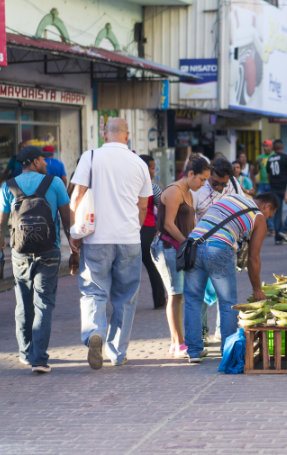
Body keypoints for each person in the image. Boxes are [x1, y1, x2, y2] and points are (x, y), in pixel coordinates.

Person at [70, 118, 152, 370]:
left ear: (104, 134)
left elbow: (77, 195)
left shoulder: (91, 157)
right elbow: (143, 206)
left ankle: (95, 333)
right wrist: (134, 229)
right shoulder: (139, 163)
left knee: (93, 290)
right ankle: (117, 352)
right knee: (125, 297)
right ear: (127, 136)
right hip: (129, 238)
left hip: (96, 238)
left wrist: (75, 232)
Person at [0, 146, 73, 373]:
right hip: (49, 251)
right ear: (35, 161)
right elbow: (68, 222)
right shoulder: (54, 183)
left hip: (20, 253)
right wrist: (75, 252)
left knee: (23, 304)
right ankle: (39, 359)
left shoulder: (8, 186)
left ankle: (26, 353)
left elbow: (0, 229)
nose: (47, 163)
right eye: (44, 159)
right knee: (43, 303)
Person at [183, 192, 278, 363]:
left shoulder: (230, 198)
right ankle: (228, 352)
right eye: (270, 215)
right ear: (267, 207)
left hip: (194, 245)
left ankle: (194, 352)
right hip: (219, 248)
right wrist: (257, 289)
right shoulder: (258, 217)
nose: (267, 218)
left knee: (193, 300)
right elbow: (253, 258)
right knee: (227, 303)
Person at [151, 156, 210, 359]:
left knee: (181, 295)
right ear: (191, 174)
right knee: (174, 295)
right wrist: (188, 243)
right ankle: (177, 343)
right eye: (201, 179)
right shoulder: (174, 191)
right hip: (167, 247)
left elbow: (191, 223)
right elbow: (168, 224)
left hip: (182, 248)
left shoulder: (190, 193)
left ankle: (180, 342)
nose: (203, 184)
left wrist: (196, 242)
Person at [193, 157, 244, 347]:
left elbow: (243, 206)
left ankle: (224, 336)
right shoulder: (198, 187)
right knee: (200, 295)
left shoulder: (233, 184)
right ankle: (202, 332)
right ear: (209, 175)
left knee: (225, 295)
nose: (220, 188)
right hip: (201, 246)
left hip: (227, 247)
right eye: (216, 183)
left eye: (224, 184)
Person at [137, 155, 166, 310]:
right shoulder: (151, 187)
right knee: (152, 266)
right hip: (148, 228)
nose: (154, 171)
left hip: (130, 229)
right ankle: (160, 300)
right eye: (153, 167)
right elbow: (163, 206)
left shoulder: (128, 184)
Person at [266, 139, 287, 244]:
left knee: (277, 213)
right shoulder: (285, 157)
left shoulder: (270, 159)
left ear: (273, 148)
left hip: (274, 188)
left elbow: (269, 175)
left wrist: (272, 185)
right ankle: (284, 230)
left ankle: (278, 239)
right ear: (282, 147)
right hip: (286, 188)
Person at [255, 140, 275, 235]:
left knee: (271, 205)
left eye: (267, 146)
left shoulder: (274, 156)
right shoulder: (260, 157)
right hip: (262, 184)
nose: (265, 148)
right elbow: (255, 172)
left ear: (271, 147)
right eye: (264, 146)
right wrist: (257, 163)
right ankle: (263, 226)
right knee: (259, 206)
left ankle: (272, 227)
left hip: (271, 184)